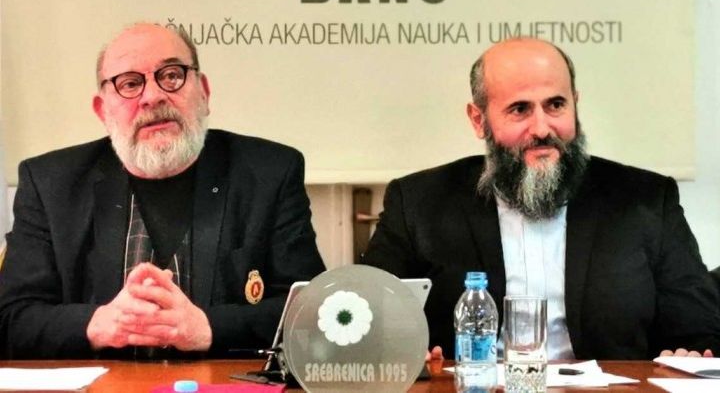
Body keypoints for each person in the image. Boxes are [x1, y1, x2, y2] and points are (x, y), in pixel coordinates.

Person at [362, 38, 720, 360]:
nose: (542, 128)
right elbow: (365, 318)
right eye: (520, 109)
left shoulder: (645, 200)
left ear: (575, 105)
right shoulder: (418, 203)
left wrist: (690, 353)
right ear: (478, 119)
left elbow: (700, 327)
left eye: (556, 105)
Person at [0, 23, 326, 359]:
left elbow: (314, 314)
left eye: (171, 76)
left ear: (204, 93)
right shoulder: (50, 184)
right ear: (102, 111)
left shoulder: (269, 173)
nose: (153, 97)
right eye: (130, 84)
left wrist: (208, 327)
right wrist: (100, 324)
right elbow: (11, 320)